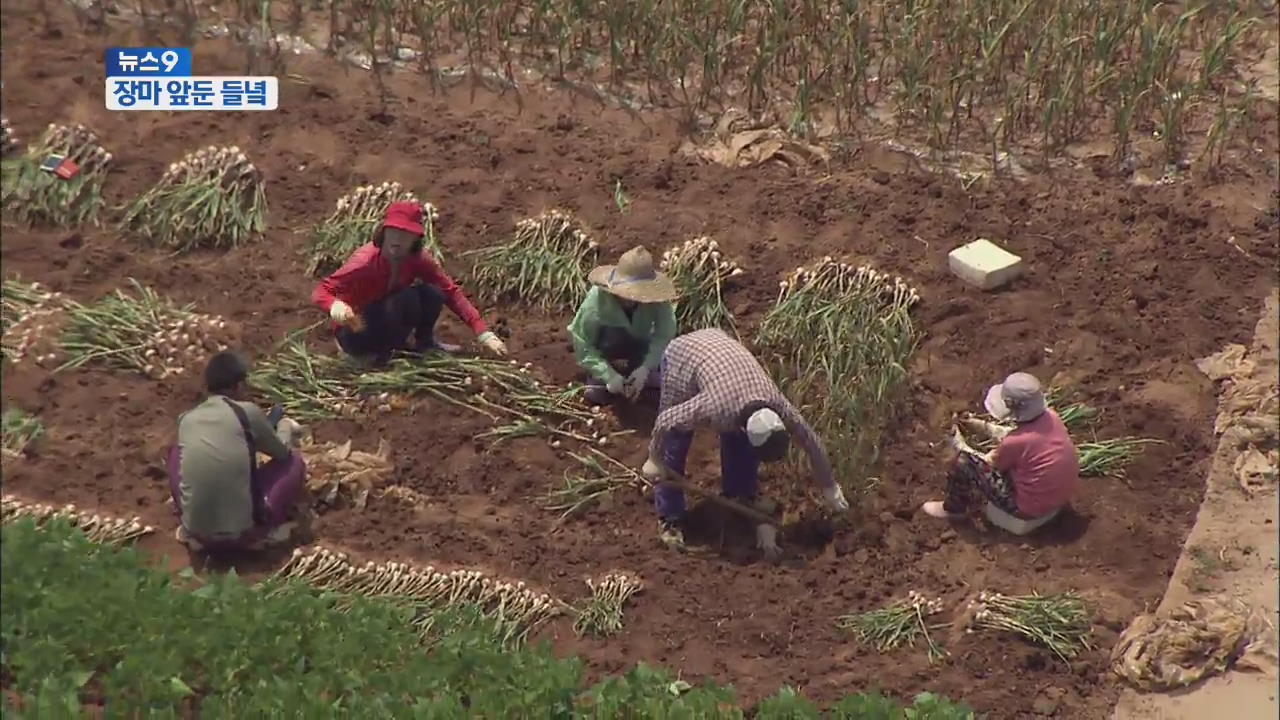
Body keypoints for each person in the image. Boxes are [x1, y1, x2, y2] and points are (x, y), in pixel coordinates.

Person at [641, 328, 849, 552]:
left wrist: (830, 488)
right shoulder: (717, 407)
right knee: (676, 438)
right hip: (682, 358)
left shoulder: (777, 403)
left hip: (722, 352)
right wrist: (654, 458)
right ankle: (670, 517)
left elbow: (811, 442)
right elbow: (666, 420)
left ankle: (741, 494)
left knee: (739, 441)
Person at [312, 201, 507, 365]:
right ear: (384, 231)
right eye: (394, 232)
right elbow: (322, 290)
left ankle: (424, 344)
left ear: (416, 238)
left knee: (432, 293)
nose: (398, 240)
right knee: (404, 300)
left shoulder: (418, 260)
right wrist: (334, 305)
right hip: (356, 331)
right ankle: (375, 355)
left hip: (386, 318)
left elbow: (450, 291)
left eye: (406, 234)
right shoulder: (365, 262)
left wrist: (482, 332)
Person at [167, 351, 308, 552]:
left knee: (175, 453)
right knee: (294, 462)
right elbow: (282, 454)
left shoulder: (186, 419)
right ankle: (268, 531)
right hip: (243, 537)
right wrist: (285, 426)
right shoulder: (247, 411)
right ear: (239, 386)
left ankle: (189, 527)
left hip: (198, 533)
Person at [921, 372, 1080, 535]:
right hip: (1058, 496)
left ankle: (954, 509)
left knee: (963, 462)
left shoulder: (1014, 443)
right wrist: (979, 425)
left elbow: (989, 466)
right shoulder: (1052, 418)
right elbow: (1017, 434)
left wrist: (957, 441)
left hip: (1028, 509)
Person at [568, 246, 678, 405]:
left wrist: (646, 368)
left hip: (640, 343)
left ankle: (637, 372)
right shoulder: (597, 299)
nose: (631, 298)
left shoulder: (658, 300)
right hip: (606, 347)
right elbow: (582, 341)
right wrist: (607, 374)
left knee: (663, 385)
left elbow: (665, 333)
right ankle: (607, 374)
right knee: (596, 395)